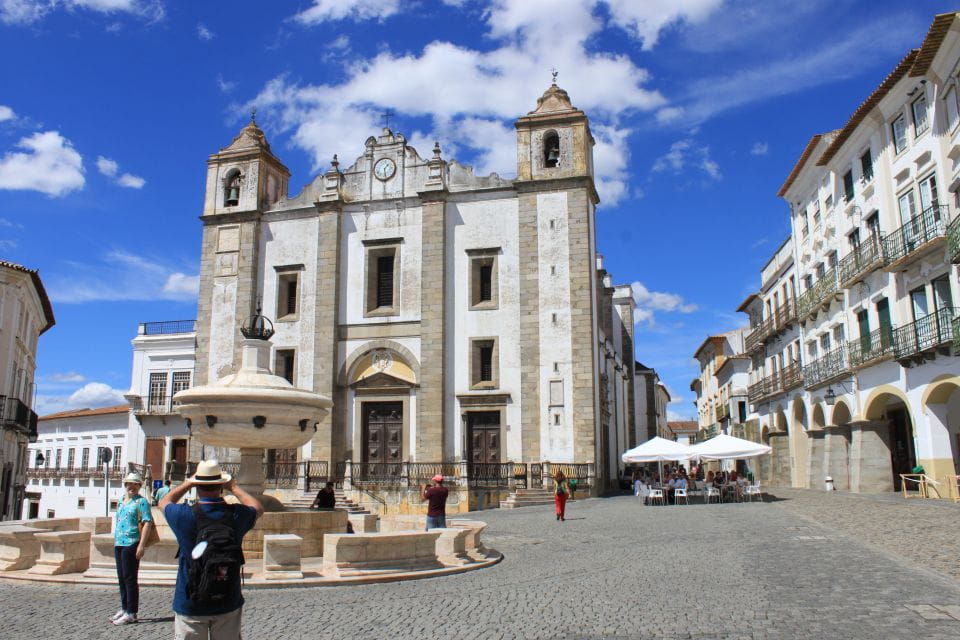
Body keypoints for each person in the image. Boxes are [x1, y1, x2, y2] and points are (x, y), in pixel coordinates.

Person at [160, 460, 263, 640]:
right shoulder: (236, 515)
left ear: (198, 487)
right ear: (221, 486)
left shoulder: (183, 515)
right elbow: (257, 507)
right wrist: (234, 487)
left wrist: (188, 483)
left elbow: (164, 502)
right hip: (227, 599)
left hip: (190, 601)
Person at [111, 472, 153, 625]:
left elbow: (147, 522)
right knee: (121, 577)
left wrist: (141, 545)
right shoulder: (122, 500)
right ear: (125, 485)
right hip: (119, 542)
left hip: (132, 542)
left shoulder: (141, 502)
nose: (132, 486)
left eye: (136, 484)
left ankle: (132, 612)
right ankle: (124, 608)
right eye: (130, 483)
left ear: (139, 486)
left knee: (130, 578)